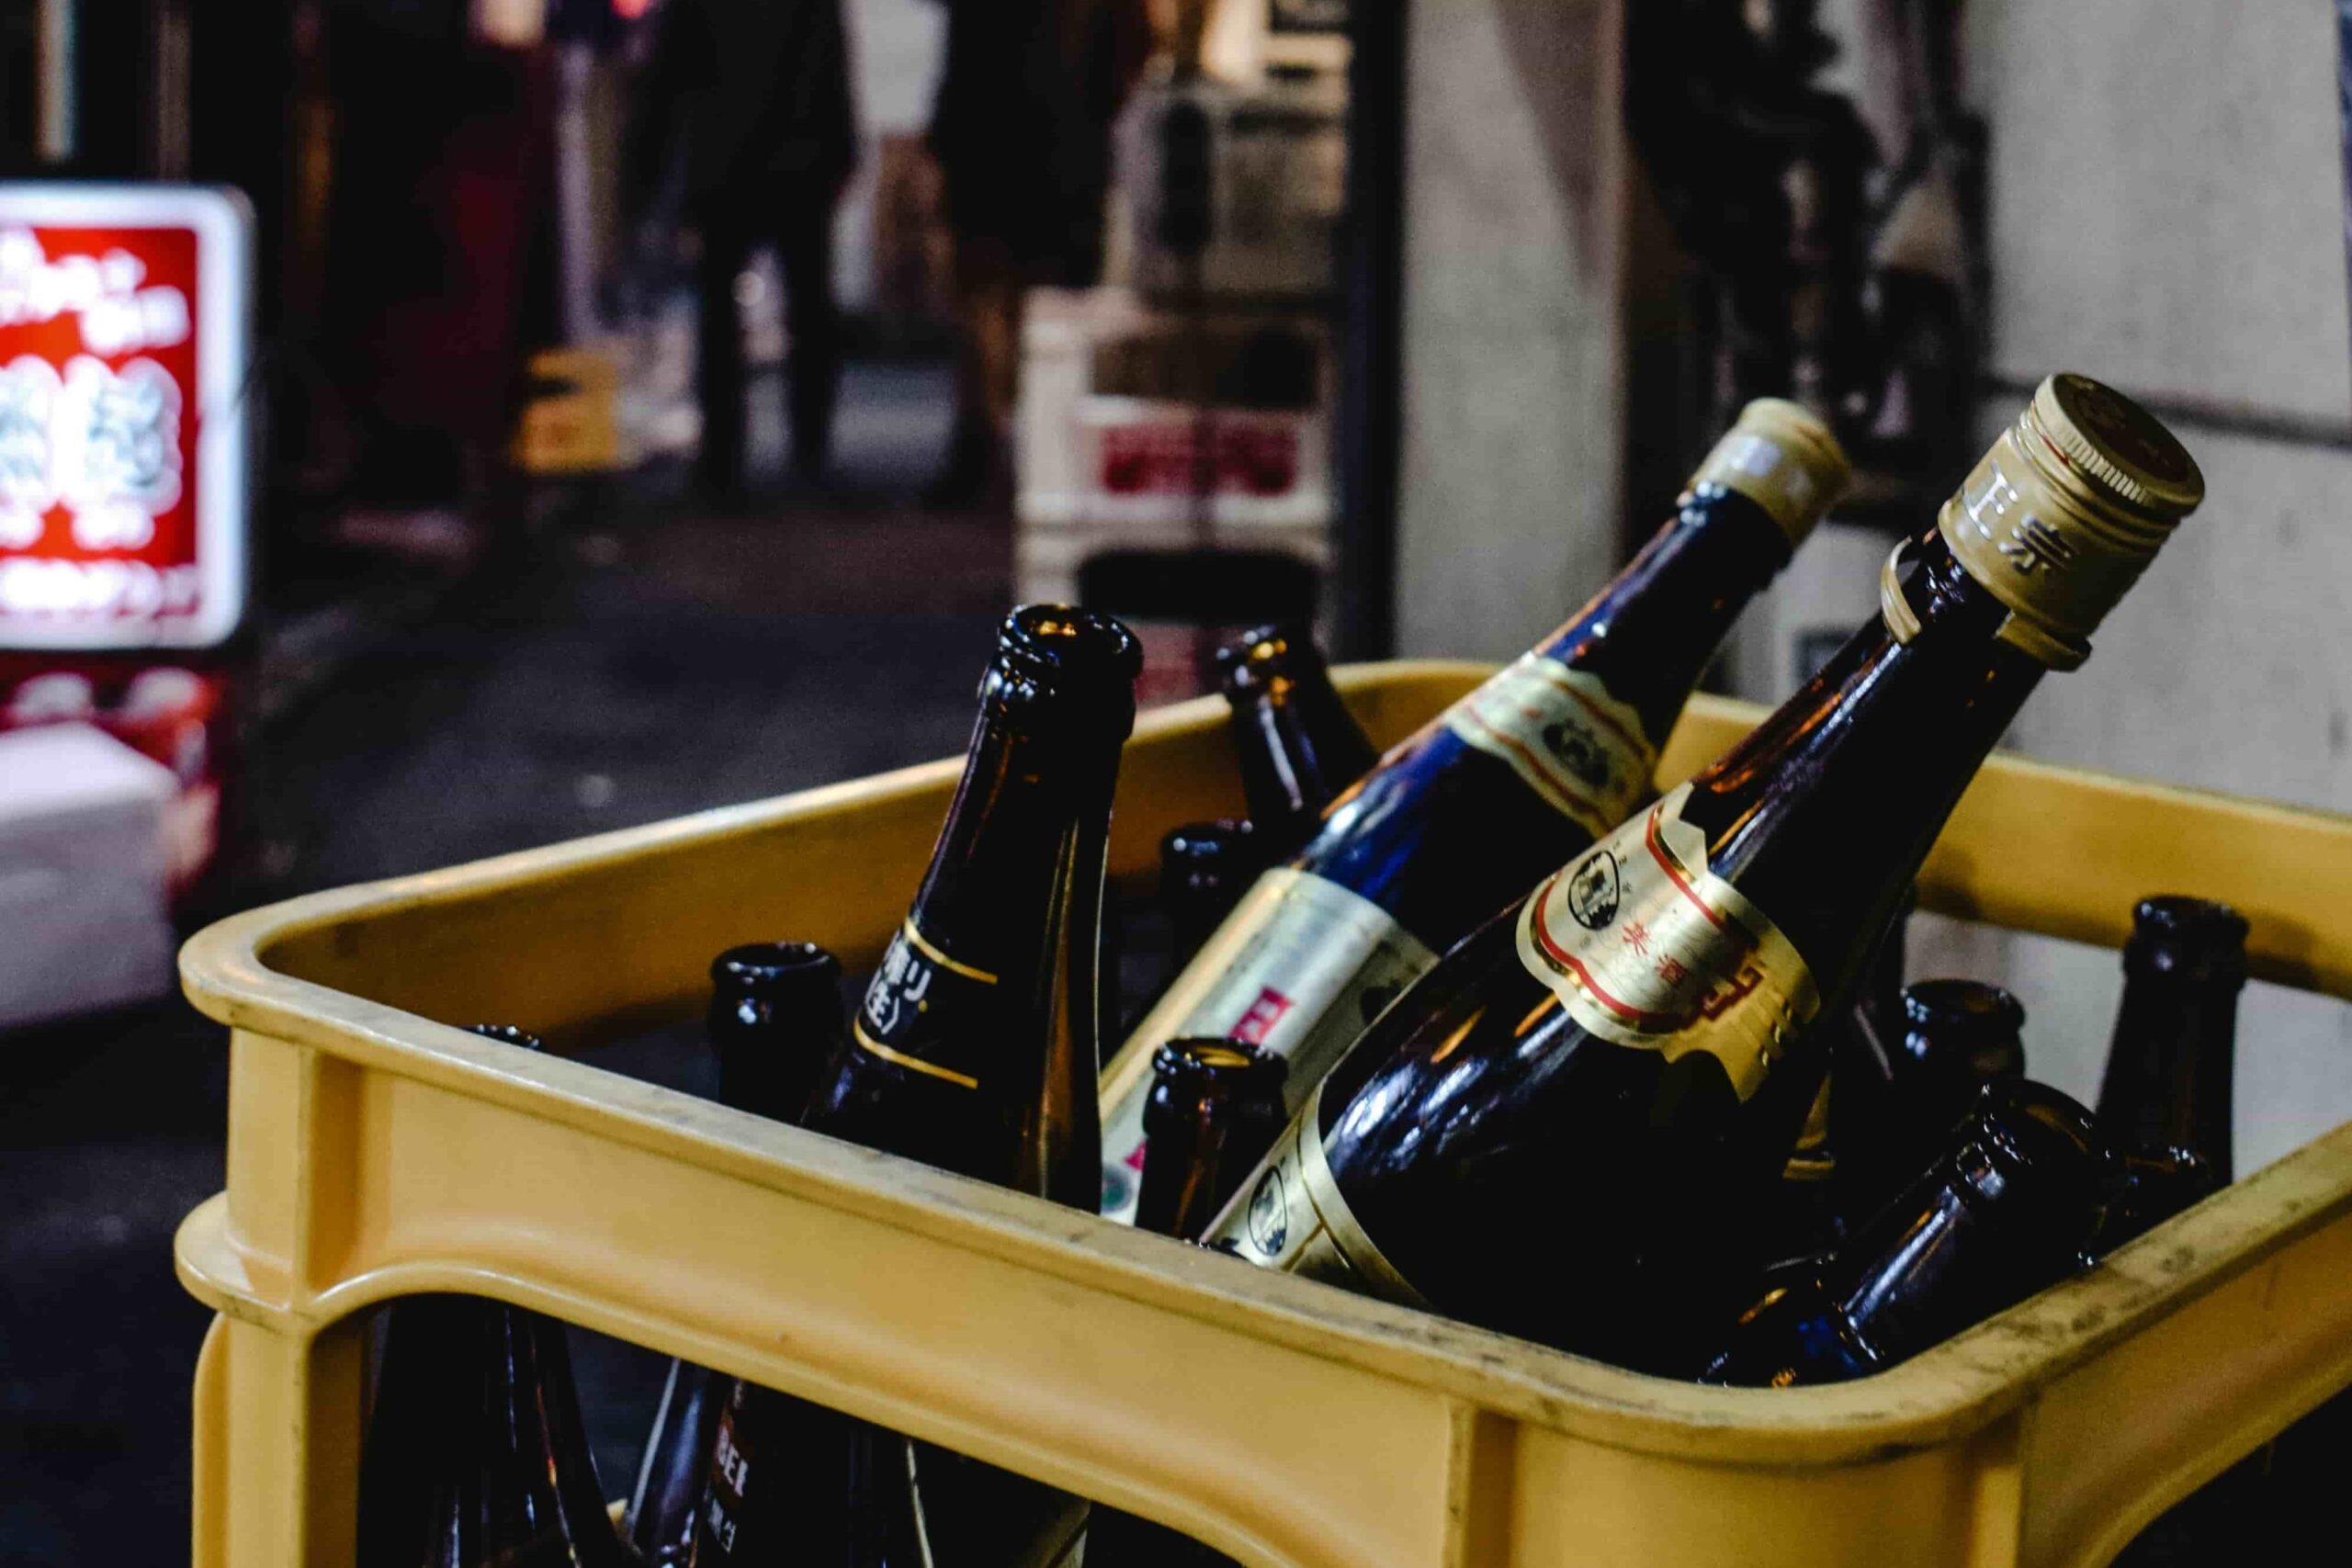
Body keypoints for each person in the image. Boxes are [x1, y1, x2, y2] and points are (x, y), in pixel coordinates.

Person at [922, 0, 1154, 508]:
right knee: (1049, 323)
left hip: (990, 153)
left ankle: (986, 452)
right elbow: (1133, 52)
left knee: (988, 315)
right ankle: (1037, 459)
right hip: (1065, 157)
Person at [632, 0, 857, 502]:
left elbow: (669, 72)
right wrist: (841, 149)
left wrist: (645, 169)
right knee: (808, 312)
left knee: (722, 317)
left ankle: (723, 460)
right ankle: (808, 451)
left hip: (727, 158)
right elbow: (831, 56)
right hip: (797, 159)